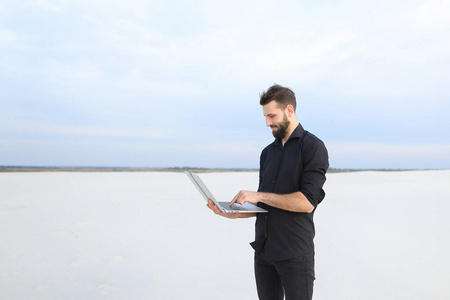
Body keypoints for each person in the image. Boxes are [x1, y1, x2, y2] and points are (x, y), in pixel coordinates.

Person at [207, 84, 329, 300]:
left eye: (272, 115)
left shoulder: (312, 147)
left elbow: (307, 202)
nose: (267, 122)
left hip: (295, 253)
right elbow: (265, 207)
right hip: (263, 251)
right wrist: (230, 212)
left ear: (289, 110)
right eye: (265, 116)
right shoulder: (267, 153)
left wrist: (259, 195)